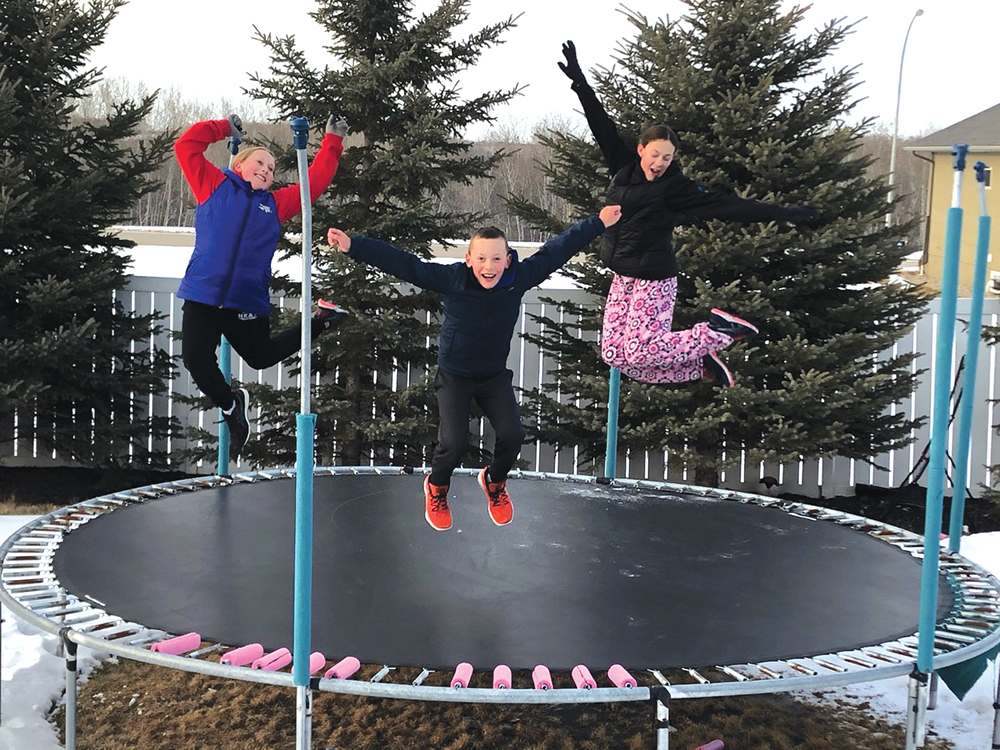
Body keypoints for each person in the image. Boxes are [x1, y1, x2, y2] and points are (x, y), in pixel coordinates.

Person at [326, 205, 622, 531]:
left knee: (513, 436)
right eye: (481, 258)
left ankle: (494, 482)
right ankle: (437, 487)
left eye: (496, 258)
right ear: (469, 259)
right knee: (453, 443)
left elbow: (559, 249)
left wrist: (597, 223)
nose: (489, 266)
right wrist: (356, 246)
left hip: (493, 375)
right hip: (455, 375)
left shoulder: (519, 277)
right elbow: (406, 265)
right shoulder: (454, 278)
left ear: (508, 259)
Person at [558, 41, 818, 388]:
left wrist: (784, 213)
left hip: (654, 278)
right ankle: (700, 366)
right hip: (623, 275)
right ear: (640, 150)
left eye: (666, 157)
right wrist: (580, 82)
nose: (659, 163)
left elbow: (728, 206)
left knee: (638, 352)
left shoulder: (675, 188)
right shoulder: (622, 165)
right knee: (614, 355)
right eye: (654, 155)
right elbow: (600, 124)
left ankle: (717, 332)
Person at [174, 114, 350, 460]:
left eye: (271, 169)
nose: (267, 171)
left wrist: (332, 141)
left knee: (261, 357)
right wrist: (223, 128)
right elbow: (186, 146)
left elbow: (312, 184)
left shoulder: (275, 204)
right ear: (239, 165)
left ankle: (322, 320)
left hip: (245, 298)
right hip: (204, 294)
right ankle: (230, 405)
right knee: (196, 359)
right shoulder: (212, 184)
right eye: (260, 163)